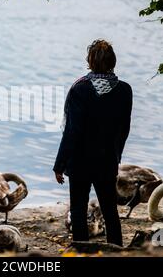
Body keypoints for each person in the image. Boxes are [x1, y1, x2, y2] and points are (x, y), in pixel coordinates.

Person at [53, 39, 132, 246]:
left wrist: (59, 164)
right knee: (110, 211)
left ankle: (82, 251)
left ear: (90, 62)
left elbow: (72, 131)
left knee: (78, 210)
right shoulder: (124, 90)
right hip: (107, 160)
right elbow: (124, 130)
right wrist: (116, 155)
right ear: (113, 61)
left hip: (79, 161)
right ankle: (116, 248)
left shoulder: (80, 89)